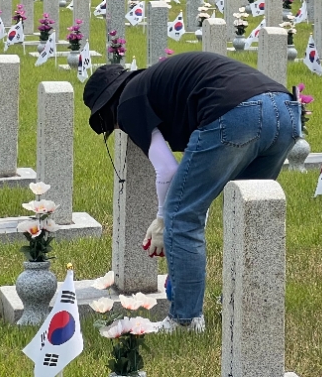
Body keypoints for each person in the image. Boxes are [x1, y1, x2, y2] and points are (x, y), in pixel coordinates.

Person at [82, 52, 299, 333]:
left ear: (107, 108)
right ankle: (248, 305)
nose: (118, 128)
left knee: (181, 217)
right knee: (249, 214)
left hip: (237, 114)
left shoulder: (128, 102)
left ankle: (185, 320)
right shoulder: (156, 85)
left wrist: (164, 219)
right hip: (285, 110)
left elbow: (167, 170)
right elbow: (196, 184)